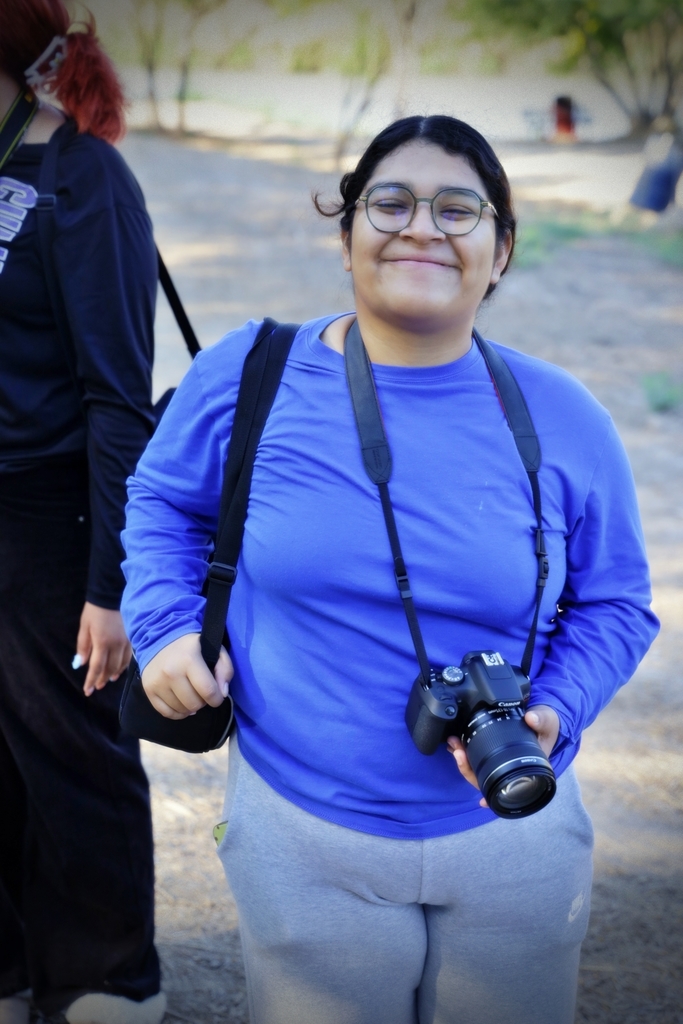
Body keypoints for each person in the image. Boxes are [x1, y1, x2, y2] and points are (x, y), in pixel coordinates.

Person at [121, 115, 659, 1024]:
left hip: (511, 830)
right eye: (391, 202)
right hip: (301, 833)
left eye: (459, 210)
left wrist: (555, 709)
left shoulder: (564, 415)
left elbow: (615, 601)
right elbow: (162, 504)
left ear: (500, 251)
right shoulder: (247, 374)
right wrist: (162, 624)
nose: (421, 228)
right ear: (345, 237)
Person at [0, 3, 165, 1023]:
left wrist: (112, 583)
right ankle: (11, 969)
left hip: (48, 514)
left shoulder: (79, 176)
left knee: (71, 747)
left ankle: (109, 975)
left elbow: (116, 394)